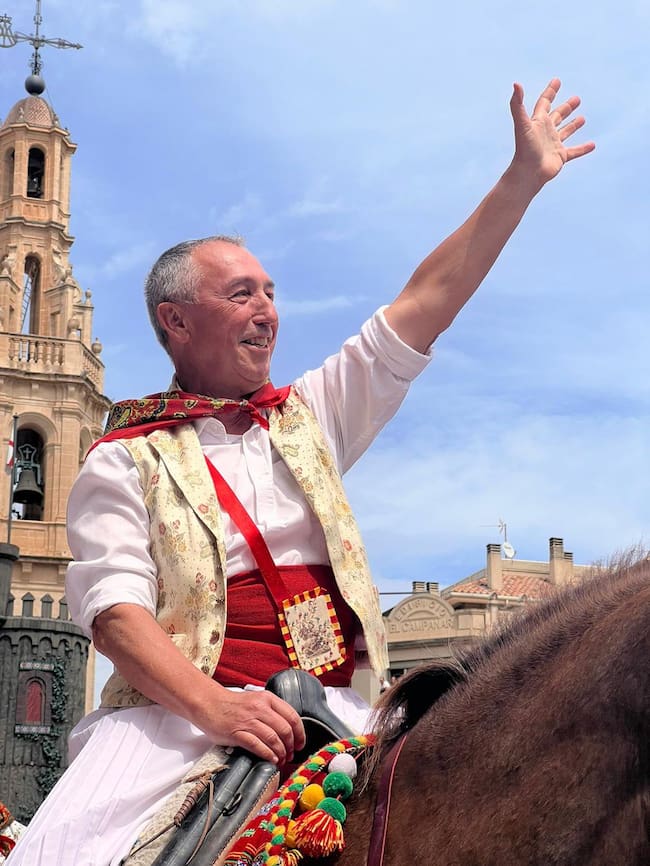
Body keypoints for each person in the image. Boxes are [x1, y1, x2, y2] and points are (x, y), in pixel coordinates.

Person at [8, 78, 594, 866]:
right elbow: (115, 614)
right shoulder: (123, 458)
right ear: (176, 321)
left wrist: (520, 180)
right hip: (180, 727)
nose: (268, 310)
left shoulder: (311, 416)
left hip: (343, 714)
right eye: (241, 294)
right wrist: (217, 708)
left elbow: (425, 301)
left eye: (272, 293)